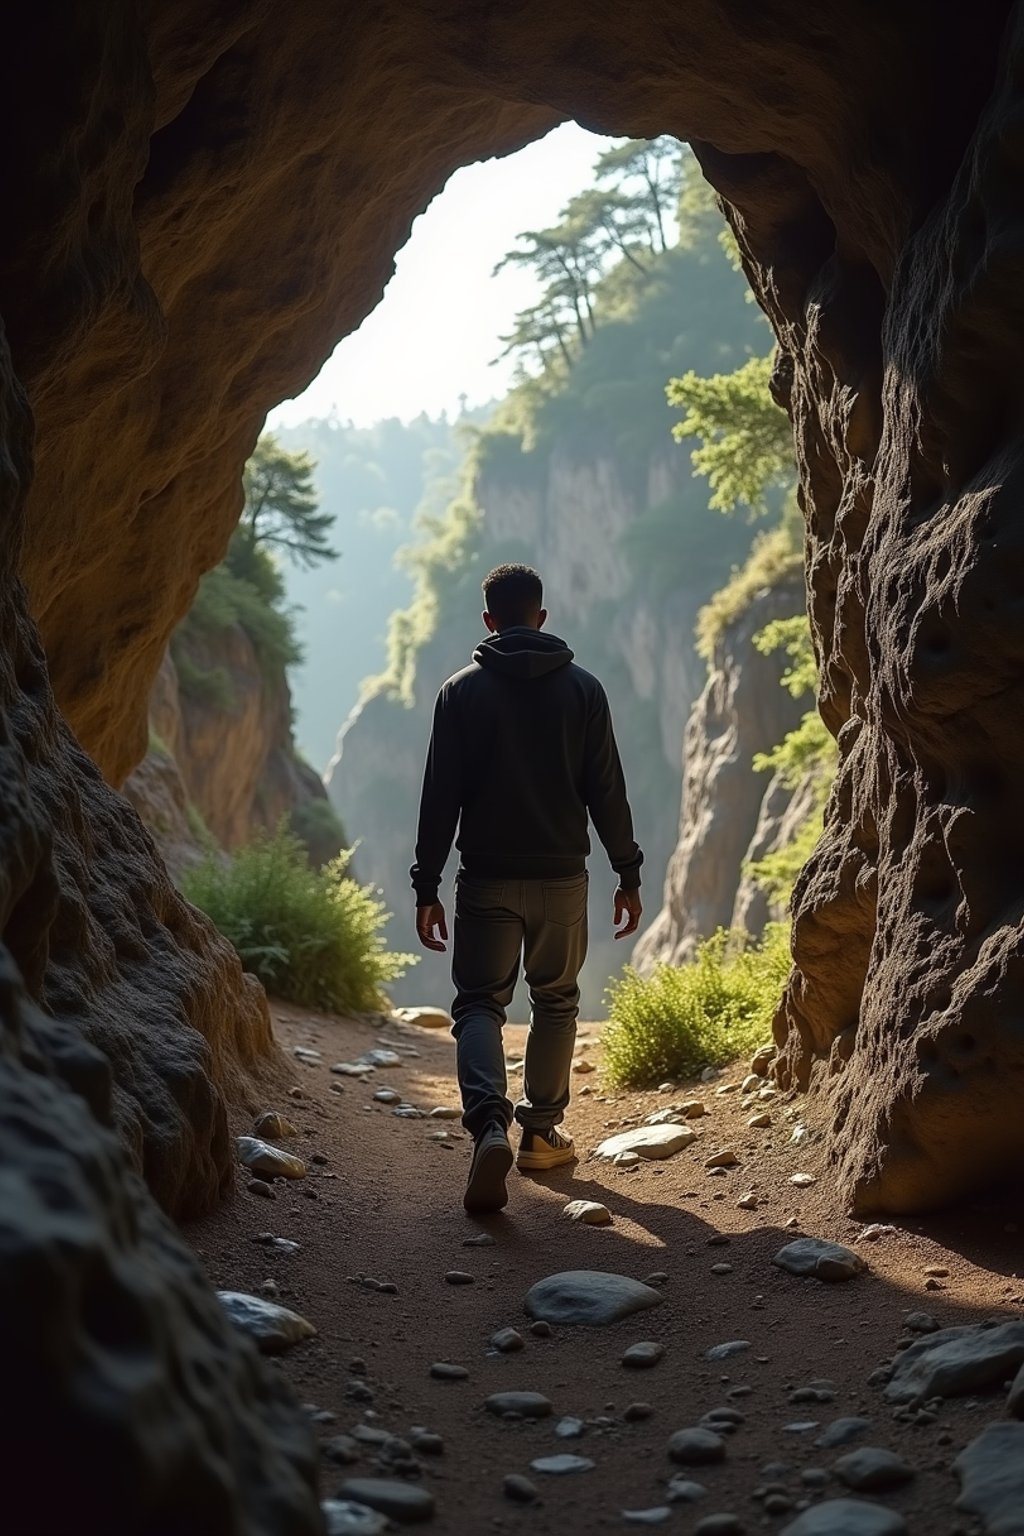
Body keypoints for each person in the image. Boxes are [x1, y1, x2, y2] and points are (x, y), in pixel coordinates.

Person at [411, 563, 643, 1214]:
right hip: (563, 878)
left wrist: (425, 884)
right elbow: (608, 791)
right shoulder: (584, 691)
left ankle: (490, 1125)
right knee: (556, 1000)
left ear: (490, 621)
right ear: (541, 616)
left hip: (484, 878)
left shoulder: (461, 693)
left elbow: (439, 799)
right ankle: (541, 1132)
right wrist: (628, 871)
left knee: (480, 1005)